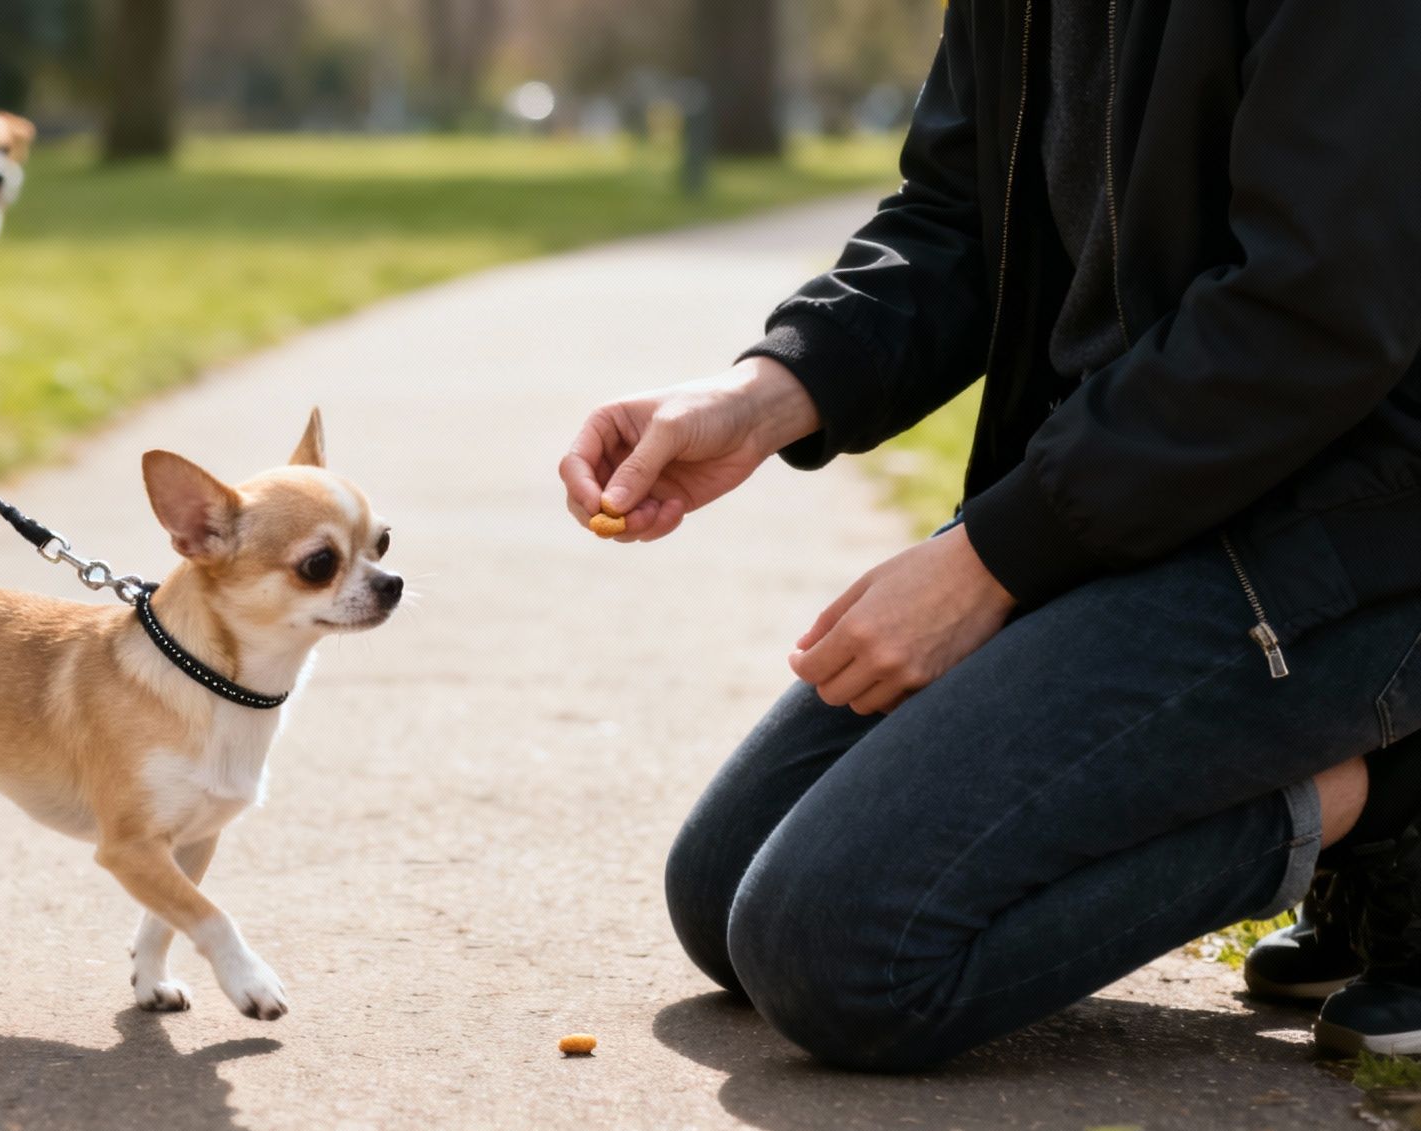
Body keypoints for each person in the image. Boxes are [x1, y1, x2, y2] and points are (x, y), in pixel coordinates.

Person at [560, 2, 1421, 1068]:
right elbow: (955, 216)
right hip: (1127, 499)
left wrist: (988, 563)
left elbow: (1315, 311)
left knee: (837, 953)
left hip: (1341, 527)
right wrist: (769, 389)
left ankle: (1384, 801)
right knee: (722, 895)